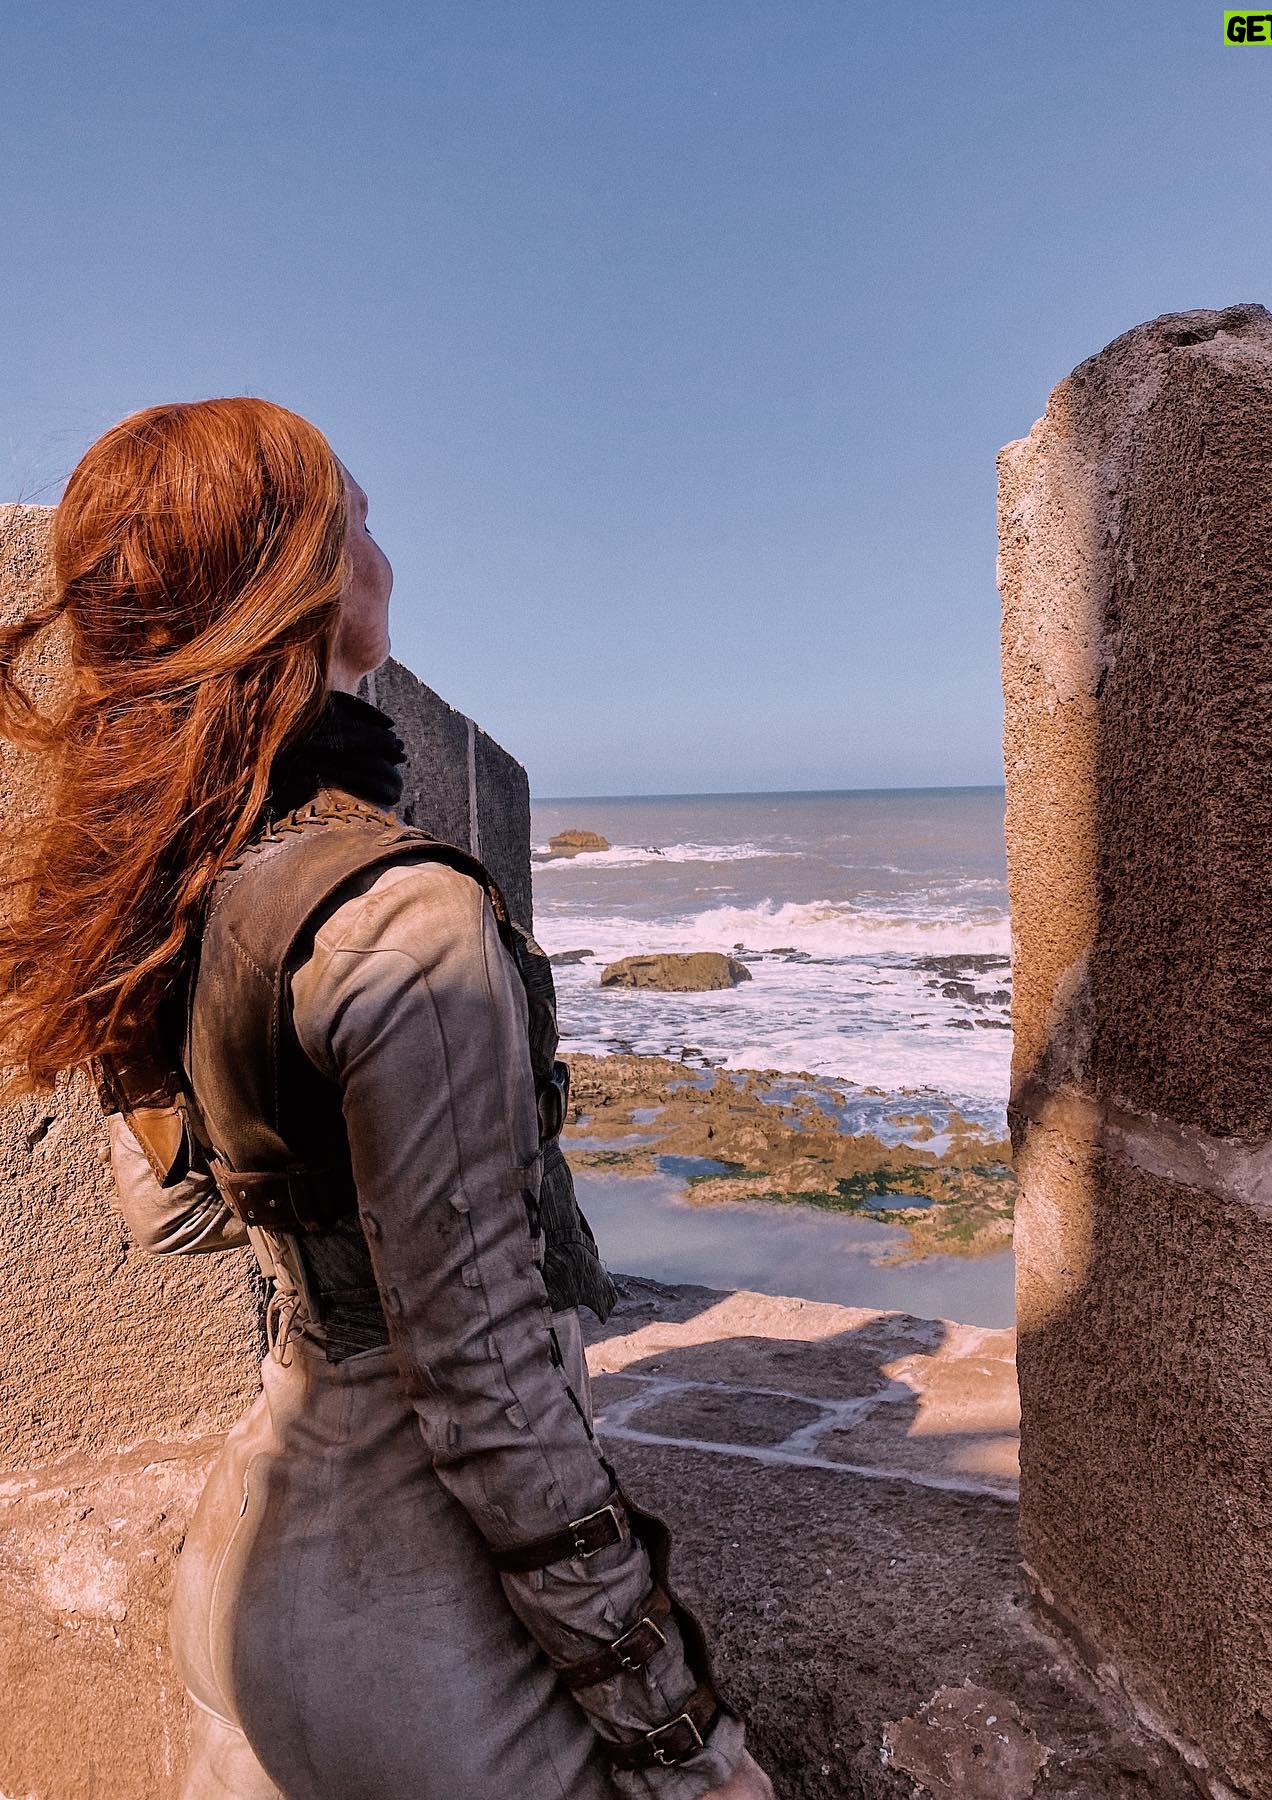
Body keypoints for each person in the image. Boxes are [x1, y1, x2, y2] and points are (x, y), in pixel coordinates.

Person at [0, 398, 775, 1800]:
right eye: (356, 520)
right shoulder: (398, 914)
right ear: (296, 577)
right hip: (412, 1625)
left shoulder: (169, 875)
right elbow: (489, 1383)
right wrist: (682, 1739)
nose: (386, 554)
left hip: (244, 1573)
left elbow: (173, 1217)